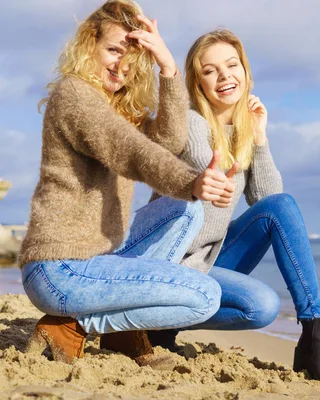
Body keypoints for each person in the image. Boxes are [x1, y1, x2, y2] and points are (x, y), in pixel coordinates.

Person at [19, 0, 229, 369]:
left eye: (132, 61)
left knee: (185, 209)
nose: (121, 66)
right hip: (58, 268)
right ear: (90, 44)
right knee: (204, 295)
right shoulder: (75, 94)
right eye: (114, 50)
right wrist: (191, 180)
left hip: (96, 261)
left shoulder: (118, 105)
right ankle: (82, 326)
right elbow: (130, 150)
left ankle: (107, 329)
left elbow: (168, 142)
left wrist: (167, 67)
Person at [147, 29, 320, 386]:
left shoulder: (243, 131)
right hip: (171, 263)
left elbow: (269, 200)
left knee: (280, 208)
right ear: (198, 83)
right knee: (261, 305)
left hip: (208, 261)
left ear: (245, 71)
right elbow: (202, 159)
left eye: (231, 65)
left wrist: (259, 139)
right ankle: (164, 320)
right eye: (210, 71)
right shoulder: (190, 122)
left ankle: (313, 334)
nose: (224, 76)